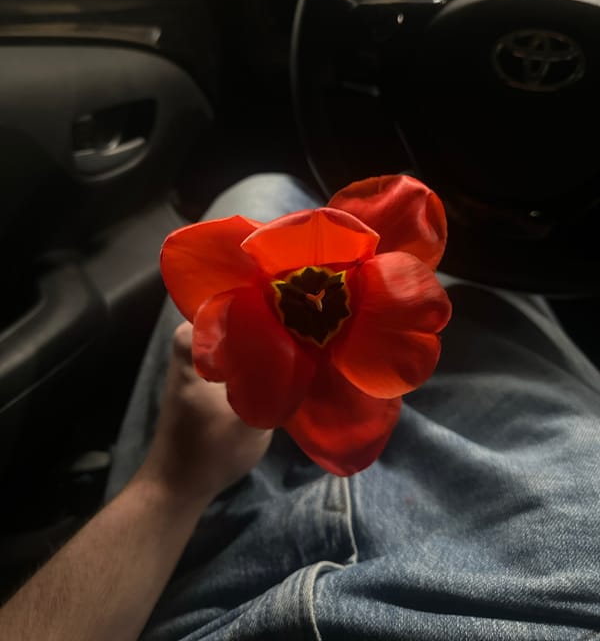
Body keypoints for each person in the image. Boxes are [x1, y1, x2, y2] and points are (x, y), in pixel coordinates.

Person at [1, 174, 599, 640]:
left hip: (200, 601)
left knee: (262, 190)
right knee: (503, 282)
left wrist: (171, 483)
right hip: (547, 577)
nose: (317, 295)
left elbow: (197, 260)